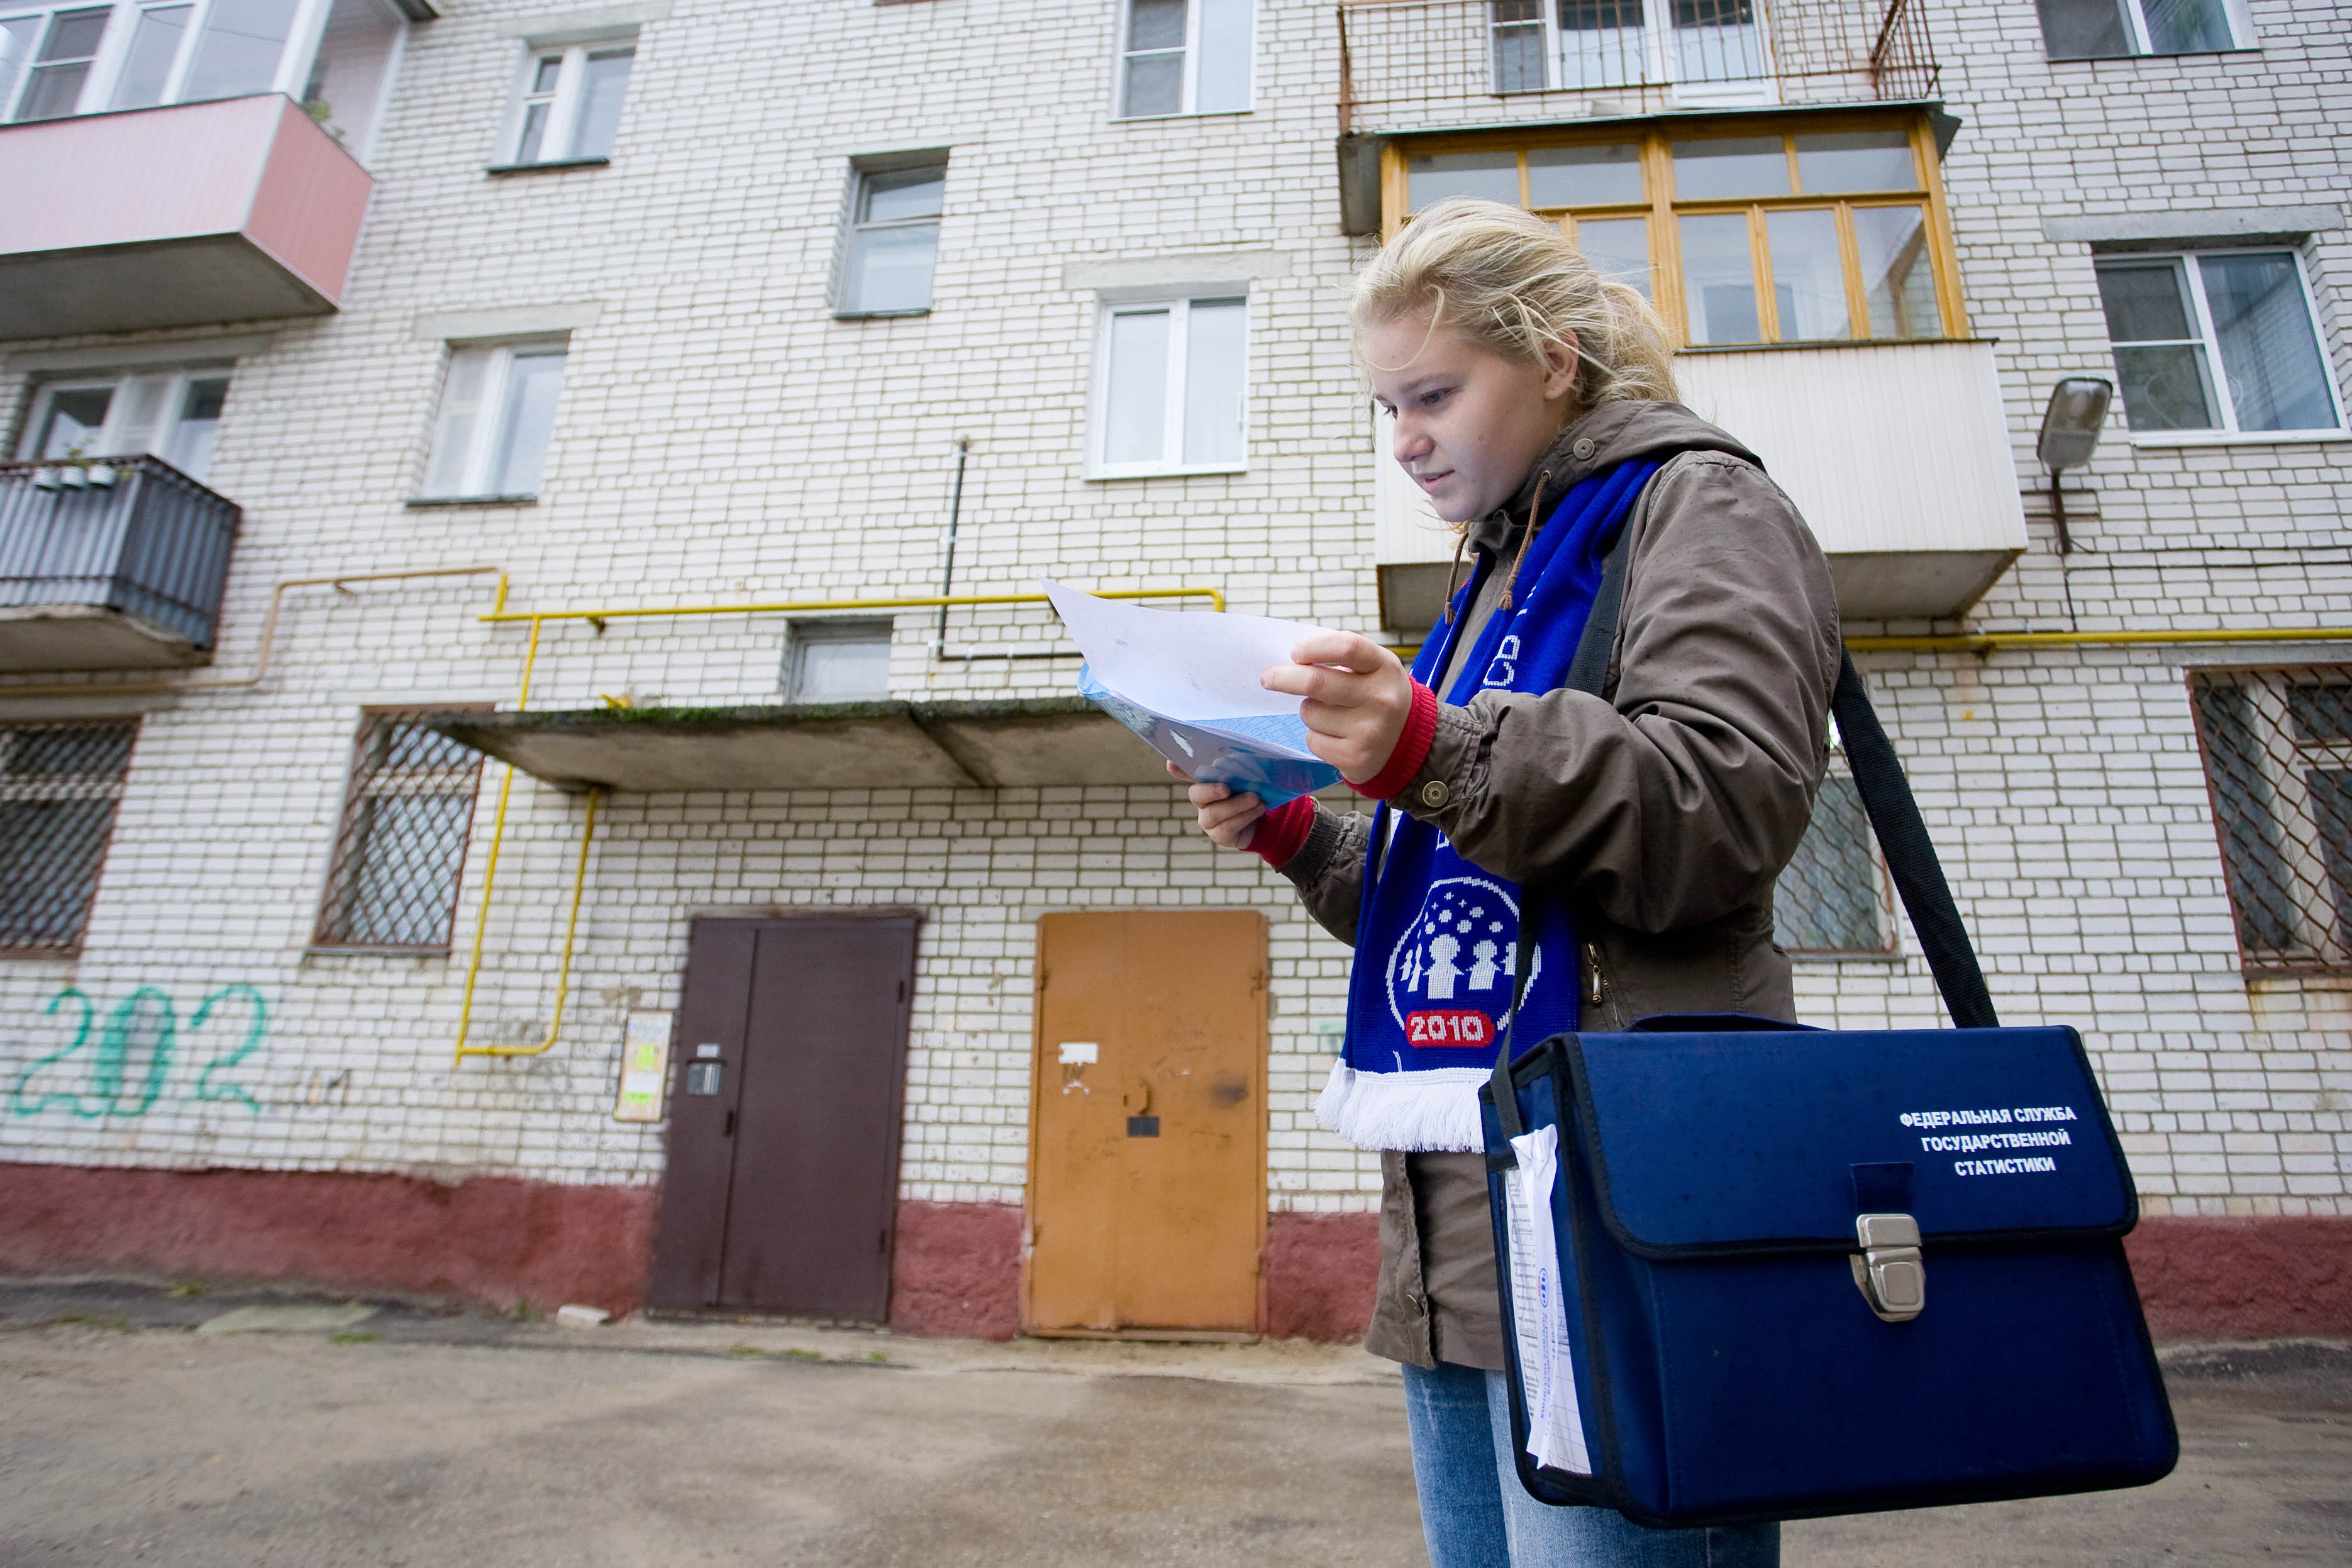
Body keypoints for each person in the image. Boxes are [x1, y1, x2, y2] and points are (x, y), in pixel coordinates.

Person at [1177, 198, 1843, 1566]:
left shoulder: (1694, 500)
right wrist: (1298, 832)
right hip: (1465, 1213)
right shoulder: (1490, 577)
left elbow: (1723, 802)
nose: (1404, 437)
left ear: (1549, 359)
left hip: (1625, 1200)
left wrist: (1428, 744)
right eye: (1385, 407)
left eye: (1431, 394)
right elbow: (1457, 904)